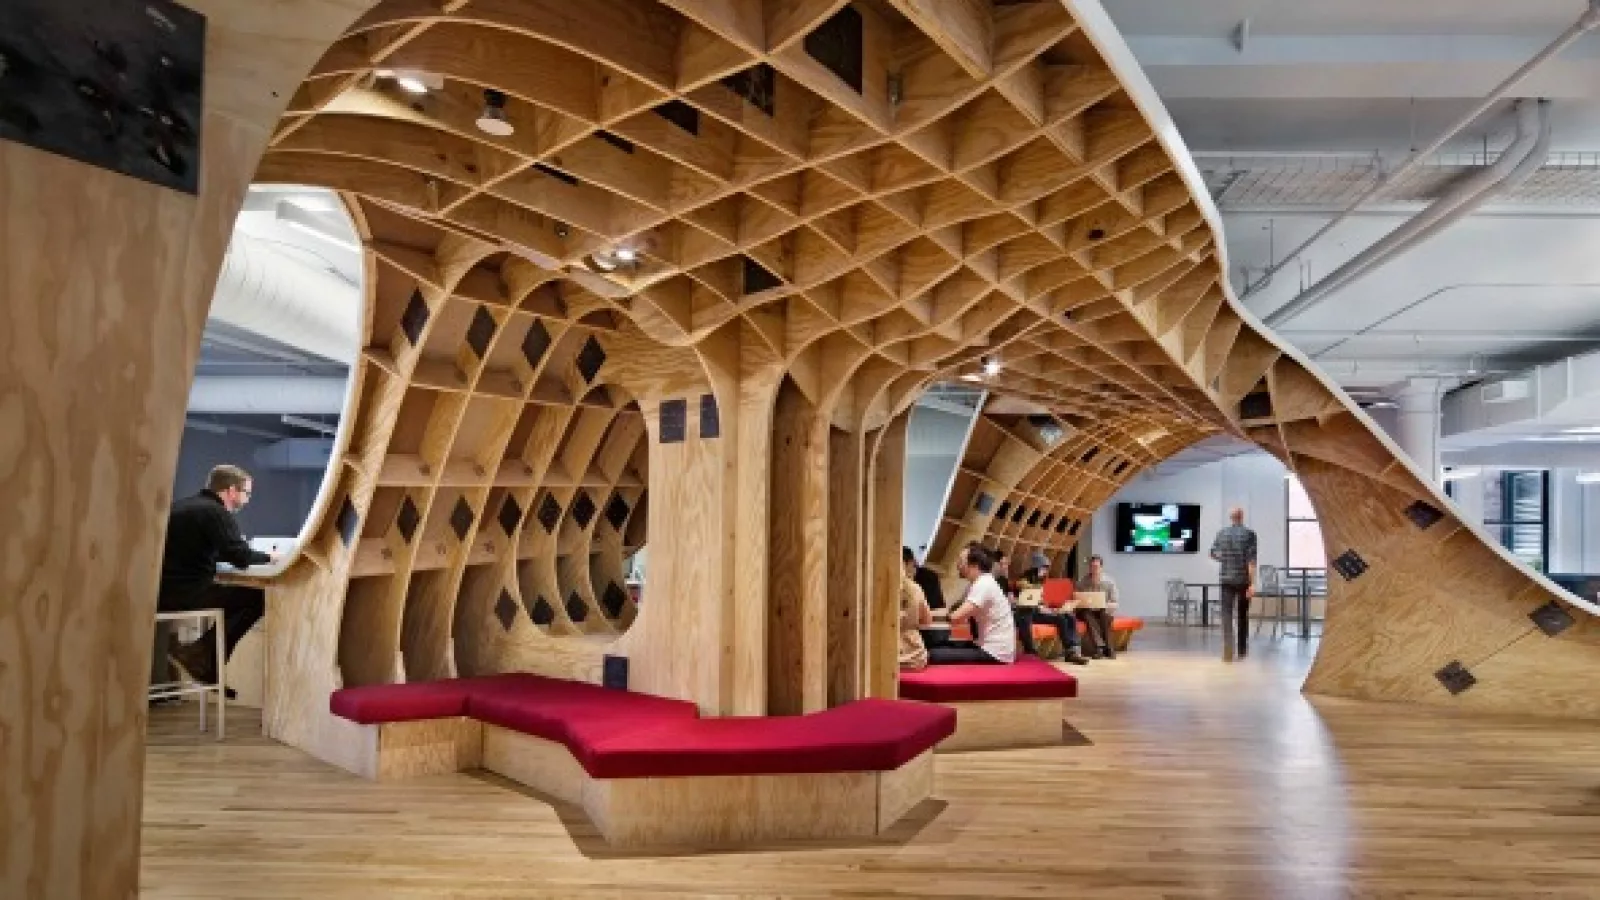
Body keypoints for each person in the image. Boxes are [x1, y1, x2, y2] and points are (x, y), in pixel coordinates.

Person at [158, 464, 279, 687]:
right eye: (247, 493)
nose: (248, 500)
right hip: (187, 594)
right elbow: (239, 556)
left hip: (161, 594)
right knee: (256, 598)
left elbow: (195, 551)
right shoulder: (216, 512)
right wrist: (270, 557)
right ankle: (200, 656)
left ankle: (205, 662)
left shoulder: (181, 506)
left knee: (234, 598)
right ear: (231, 490)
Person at [928, 543, 1016, 665]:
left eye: (961, 561)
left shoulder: (983, 584)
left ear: (974, 565)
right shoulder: (980, 583)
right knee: (937, 644)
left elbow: (956, 618)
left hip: (995, 653)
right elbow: (953, 611)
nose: (958, 565)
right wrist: (928, 613)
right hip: (988, 646)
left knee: (933, 653)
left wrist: (925, 615)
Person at [1210, 506, 1258, 662]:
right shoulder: (1250, 534)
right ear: (1242, 517)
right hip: (1243, 580)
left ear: (1231, 517)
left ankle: (1228, 650)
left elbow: (1212, 553)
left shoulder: (1222, 533)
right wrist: (1252, 583)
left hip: (1226, 579)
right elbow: (1251, 561)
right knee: (1242, 615)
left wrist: (1224, 558)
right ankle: (1242, 650)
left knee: (1226, 614)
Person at [1074, 554, 1120, 659]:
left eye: (1096, 567)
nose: (1093, 569)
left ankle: (1107, 647)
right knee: (1086, 613)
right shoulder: (1082, 582)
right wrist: (1082, 603)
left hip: (1104, 610)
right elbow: (1077, 599)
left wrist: (1104, 605)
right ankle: (1100, 647)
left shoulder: (1109, 582)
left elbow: (1115, 602)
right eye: (1091, 567)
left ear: (1101, 567)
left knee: (1105, 616)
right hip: (1087, 611)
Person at [899, 547, 934, 671]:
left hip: (887, 657)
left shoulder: (877, 588)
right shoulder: (916, 588)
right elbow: (927, 621)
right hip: (915, 657)